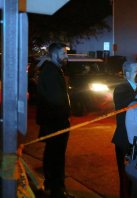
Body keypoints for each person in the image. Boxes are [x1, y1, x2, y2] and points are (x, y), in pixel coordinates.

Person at [36, 43, 74, 198]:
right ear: (54, 54)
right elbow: (56, 100)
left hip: (54, 121)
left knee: (52, 155)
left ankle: (52, 186)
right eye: (63, 53)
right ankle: (57, 191)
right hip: (55, 122)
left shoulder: (53, 69)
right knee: (56, 157)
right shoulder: (50, 72)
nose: (66, 56)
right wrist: (65, 115)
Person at [112, 62, 137, 198]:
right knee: (125, 177)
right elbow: (129, 106)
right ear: (128, 74)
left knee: (136, 178)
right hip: (124, 140)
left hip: (136, 141)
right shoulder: (121, 89)